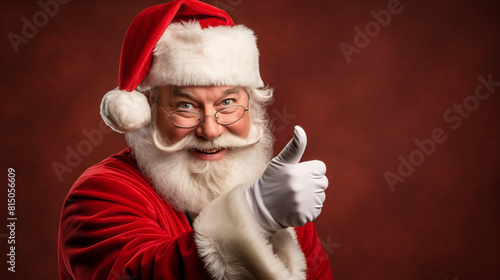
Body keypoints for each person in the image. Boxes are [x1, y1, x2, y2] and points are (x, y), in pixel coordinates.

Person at [58, 0, 333, 279]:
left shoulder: (279, 197)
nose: (211, 130)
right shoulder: (98, 194)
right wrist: (255, 214)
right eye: (186, 106)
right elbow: (140, 273)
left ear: (253, 107)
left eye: (227, 102)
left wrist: (265, 209)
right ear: (147, 114)